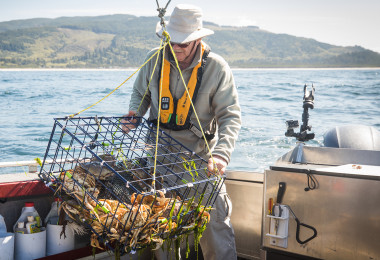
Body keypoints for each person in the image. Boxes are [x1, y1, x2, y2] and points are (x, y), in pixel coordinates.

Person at [122, 4, 241, 260]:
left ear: (198, 38)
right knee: (163, 233)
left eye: (184, 43)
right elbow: (139, 94)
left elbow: (230, 115)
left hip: (201, 163)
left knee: (216, 226)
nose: (176, 47)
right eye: (172, 41)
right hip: (159, 162)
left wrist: (221, 155)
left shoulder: (218, 68)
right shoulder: (153, 59)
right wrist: (134, 114)